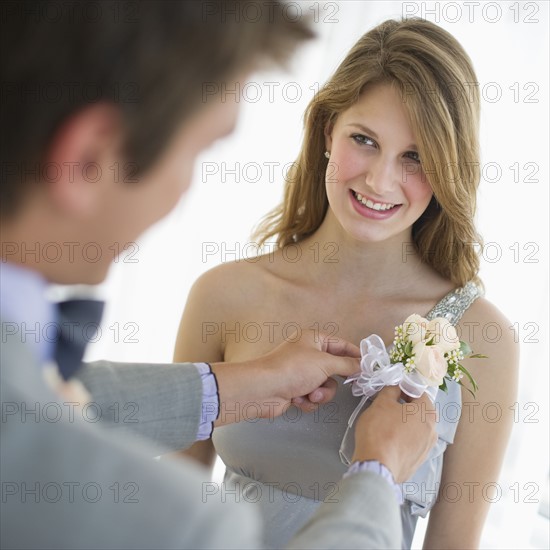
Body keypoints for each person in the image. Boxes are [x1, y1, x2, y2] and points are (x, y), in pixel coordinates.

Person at [0, 2, 438, 549]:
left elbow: (48, 402)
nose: (185, 190)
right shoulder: (191, 526)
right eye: (200, 151)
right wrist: (378, 472)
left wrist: (231, 387)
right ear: (88, 159)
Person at [175, 17, 520, 549]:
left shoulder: (484, 339)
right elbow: (168, 511)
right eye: (365, 139)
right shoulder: (224, 296)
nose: (380, 181)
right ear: (327, 133)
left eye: (416, 157)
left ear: (449, 168)